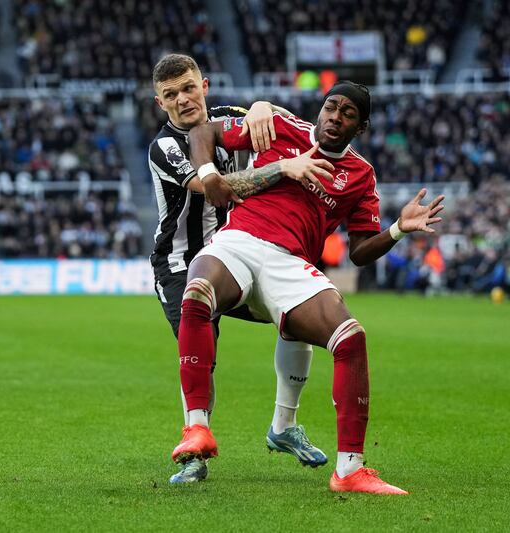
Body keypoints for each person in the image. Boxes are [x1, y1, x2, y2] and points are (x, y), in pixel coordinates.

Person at [180, 80, 445, 494]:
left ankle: (350, 470)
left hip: (291, 265)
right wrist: (210, 173)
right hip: (239, 241)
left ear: (361, 128)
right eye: (331, 106)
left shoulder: (360, 175)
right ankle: (196, 428)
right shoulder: (280, 125)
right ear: (321, 109)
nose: (335, 116)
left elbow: (359, 251)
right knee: (196, 292)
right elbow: (204, 131)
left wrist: (397, 230)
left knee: (351, 338)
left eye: (348, 114)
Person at [148, 54, 334, 483]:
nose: (182, 100)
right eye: (171, 95)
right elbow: (214, 190)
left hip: (240, 252)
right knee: (200, 350)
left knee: (295, 317)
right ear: (161, 104)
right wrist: (283, 167)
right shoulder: (166, 147)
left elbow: (290, 127)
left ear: (205, 86)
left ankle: (283, 428)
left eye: (188, 88)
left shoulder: (230, 119)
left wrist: (265, 105)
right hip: (181, 265)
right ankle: (195, 453)